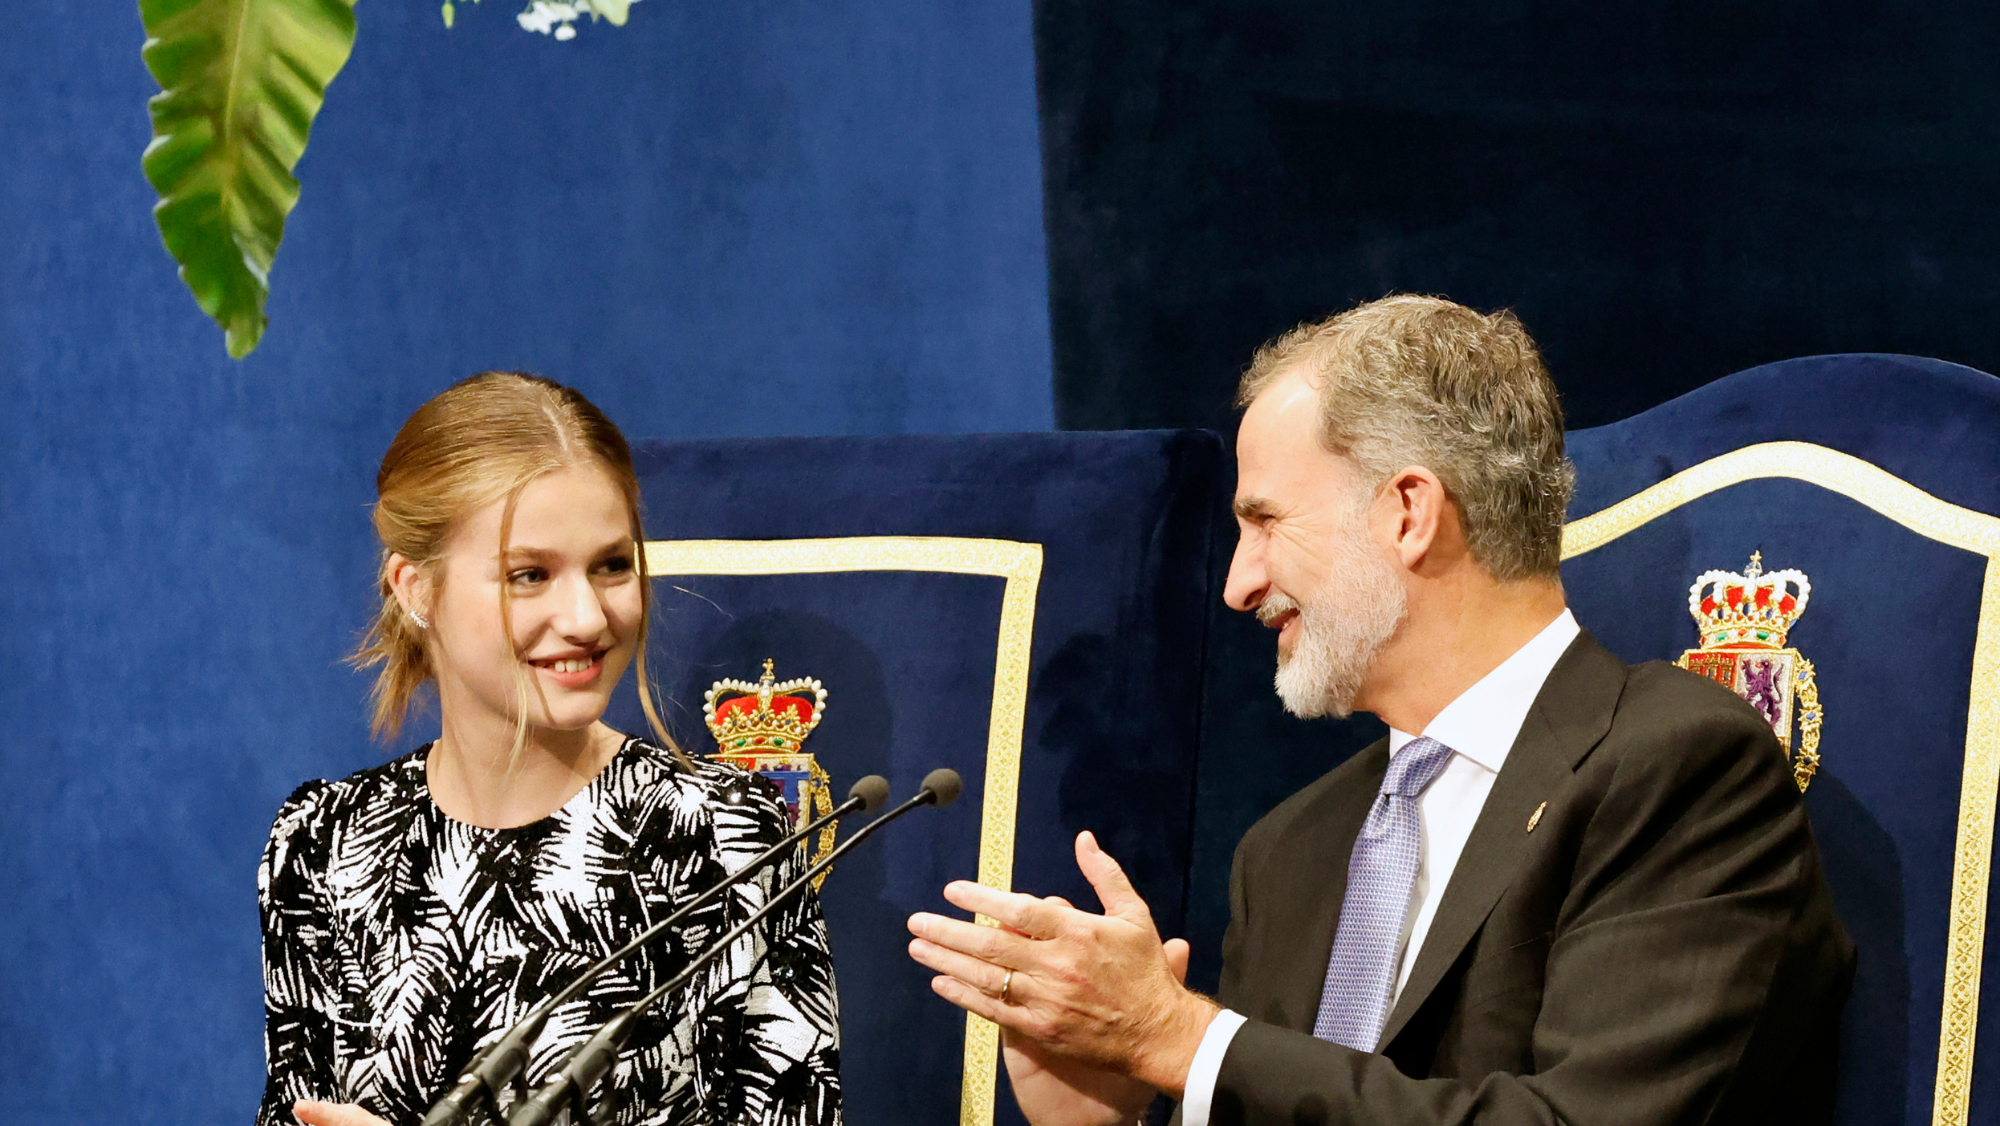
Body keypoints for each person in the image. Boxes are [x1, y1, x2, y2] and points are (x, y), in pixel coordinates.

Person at [906, 296, 1854, 1125]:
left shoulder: (1674, 766)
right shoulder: (1287, 852)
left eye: (1265, 520)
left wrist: (1183, 1039)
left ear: (1408, 511)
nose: (1238, 585)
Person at [258, 373, 841, 1126]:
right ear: (416, 588)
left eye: (612, 565)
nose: (586, 616)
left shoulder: (727, 842)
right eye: (528, 576)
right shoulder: (320, 844)